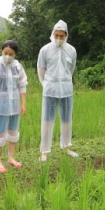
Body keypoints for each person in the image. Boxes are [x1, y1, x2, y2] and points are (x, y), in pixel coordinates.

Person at [37, 20, 78, 162]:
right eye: (57, 35)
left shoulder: (71, 50)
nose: (59, 38)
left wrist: (64, 81)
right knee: (47, 120)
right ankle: (45, 150)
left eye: (62, 36)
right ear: (52, 34)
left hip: (66, 89)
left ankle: (66, 146)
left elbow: (71, 69)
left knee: (67, 120)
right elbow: (41, 70)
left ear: (66, 35)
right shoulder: (45, 50)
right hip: (50, 89)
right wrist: (47, 84)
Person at [0, 40, 27, 173]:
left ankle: (11, 158)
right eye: (6, 53)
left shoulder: (18, 67)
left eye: (11, 53)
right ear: (2, 51)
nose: (8, 55)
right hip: (0, 104)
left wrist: (23, 103)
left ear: (15, 54)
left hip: (14, 103)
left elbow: (22, 85)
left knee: (13, 131)